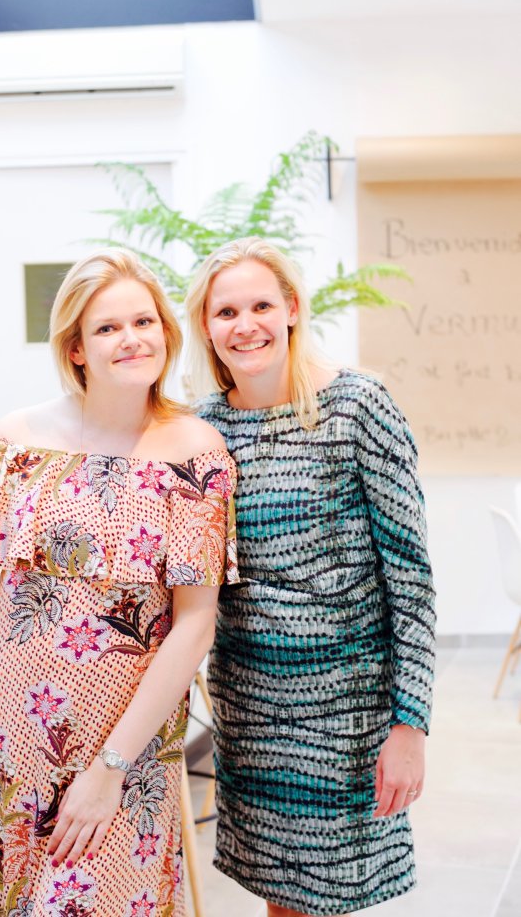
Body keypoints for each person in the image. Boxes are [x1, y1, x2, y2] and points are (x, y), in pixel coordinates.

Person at [0, 250, 238, 917]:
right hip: (11, 733)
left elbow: (194, 625)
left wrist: (111, 768)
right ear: (76, 348)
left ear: (165, 331)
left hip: (124, 740)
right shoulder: (19, 440)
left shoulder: (194, 452)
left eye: (143, 321)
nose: (131, 339)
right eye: (107, 327)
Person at [184, 237, 436, 917]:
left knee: (326, 896)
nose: (245, 325)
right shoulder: (202, 428)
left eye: (261, 306)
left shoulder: (357, 406)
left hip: (343, 714)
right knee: (281, 896)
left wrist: (409, 726)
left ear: (292, 308)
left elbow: (411, 582)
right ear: (206, 325)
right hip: (248, 708)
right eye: (226, 312)